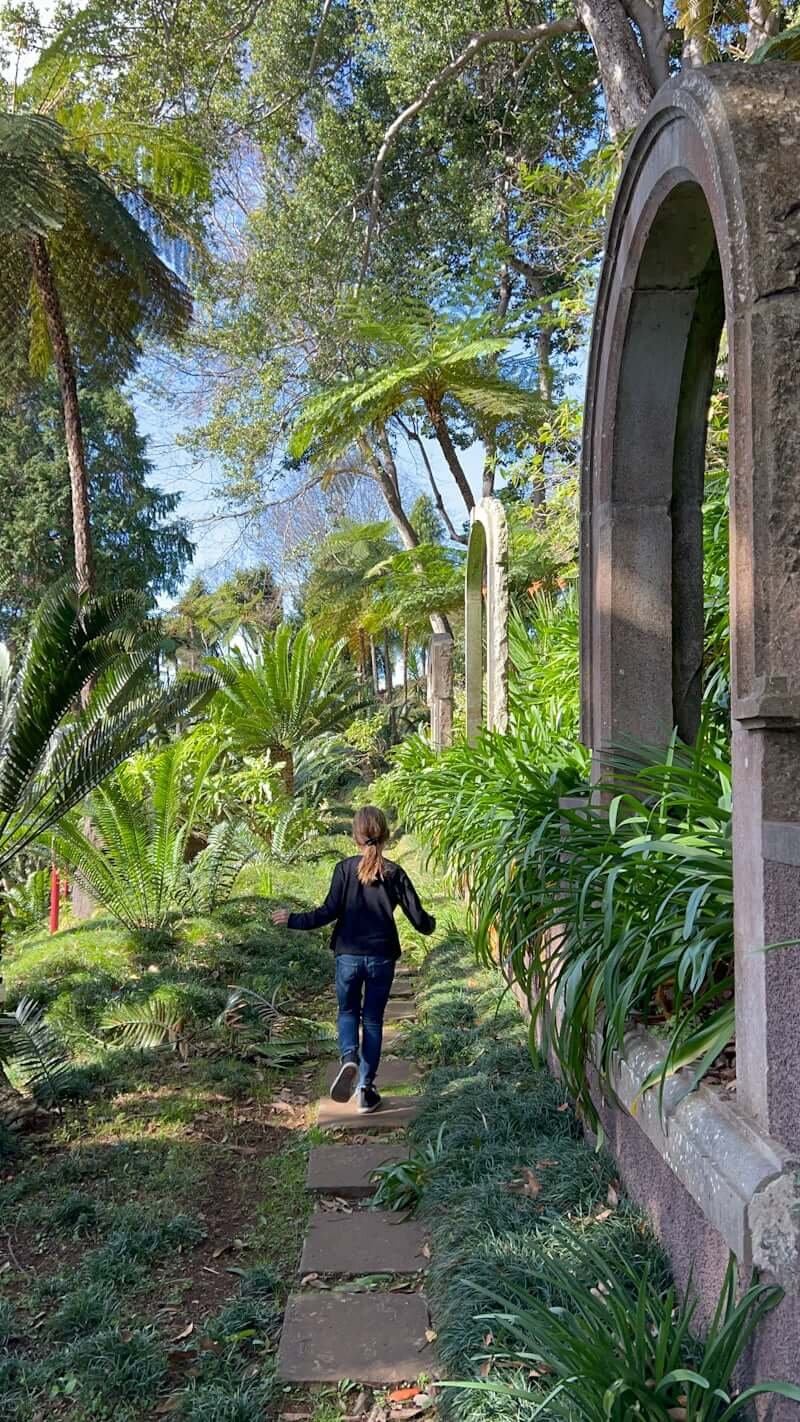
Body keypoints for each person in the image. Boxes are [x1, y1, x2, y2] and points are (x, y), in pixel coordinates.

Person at [271, 806, 435, 1113]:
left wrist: (292, 919)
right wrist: (433, 925)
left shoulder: (344, 869)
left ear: (354, 838)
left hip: (347, 956)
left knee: (347, 1012)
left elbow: (328, 911)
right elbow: (419, 920)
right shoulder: (395, 873)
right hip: (381, 957)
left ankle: (349, 1058)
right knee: (372, 1020)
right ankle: (366, 1089)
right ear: (386, 835)